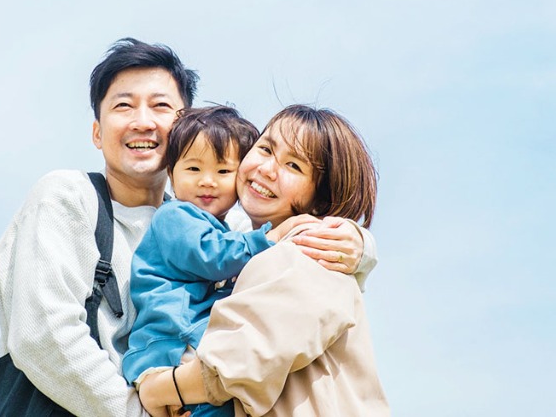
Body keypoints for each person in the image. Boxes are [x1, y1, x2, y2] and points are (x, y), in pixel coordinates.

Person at [0, 39, 370, 417]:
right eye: (123, 106)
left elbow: (287, 245)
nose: (142, 122)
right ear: (97, 133)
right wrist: (142, 410)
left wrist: (358, 243)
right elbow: (43, 336)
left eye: (160, 106)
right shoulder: (69, 196)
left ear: (183, 127)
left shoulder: (219, 221)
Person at [138, 105, 390, 417]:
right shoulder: (252, 248)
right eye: (266, 149)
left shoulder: (308, 250)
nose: (268, 169)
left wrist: (160, 389)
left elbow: (239, 360)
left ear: (321, 199)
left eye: (294, 166)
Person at [123, 106, 319, 417]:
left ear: (240, 177)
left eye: (223, 172)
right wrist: (268, 239)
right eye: (193, 169)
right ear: (171, 175)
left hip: (187, 345)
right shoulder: (175, 216)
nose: (207, 182)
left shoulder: (225, 230)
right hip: (171, 345)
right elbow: (211, 256)